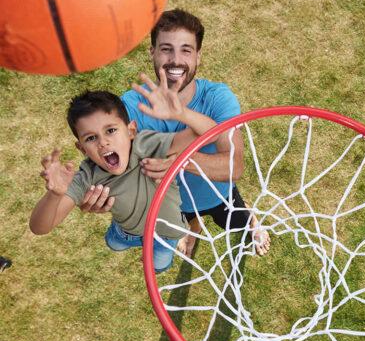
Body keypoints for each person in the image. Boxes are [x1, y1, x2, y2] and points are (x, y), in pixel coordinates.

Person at [79, 9, 270, 257]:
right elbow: (108, 161)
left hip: (217, 195)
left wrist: (177, 161)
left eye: (186, 50)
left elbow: (235, 167)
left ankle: (252, 223)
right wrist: (96, 194)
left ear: (198, 56)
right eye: (166, 48)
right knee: (188, 218)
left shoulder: (218, 98)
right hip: (172, 204)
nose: (175, 60)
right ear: (153, 52)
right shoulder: (128, 109)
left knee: (237, 221)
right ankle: (192, 229)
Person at [29, 72, 221, 273]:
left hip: (169, 232)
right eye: (91, 138)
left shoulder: (148, 145)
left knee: (159, 265)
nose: (103, 142)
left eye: (110, 130)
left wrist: (181, 113)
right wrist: (55, 195)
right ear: (82, 149)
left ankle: (153, 259)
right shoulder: (87, 176)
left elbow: (210, 132)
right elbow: (40, 227)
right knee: (115, 243)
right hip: (128, 233)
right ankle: (121, 237)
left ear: (131, 131)